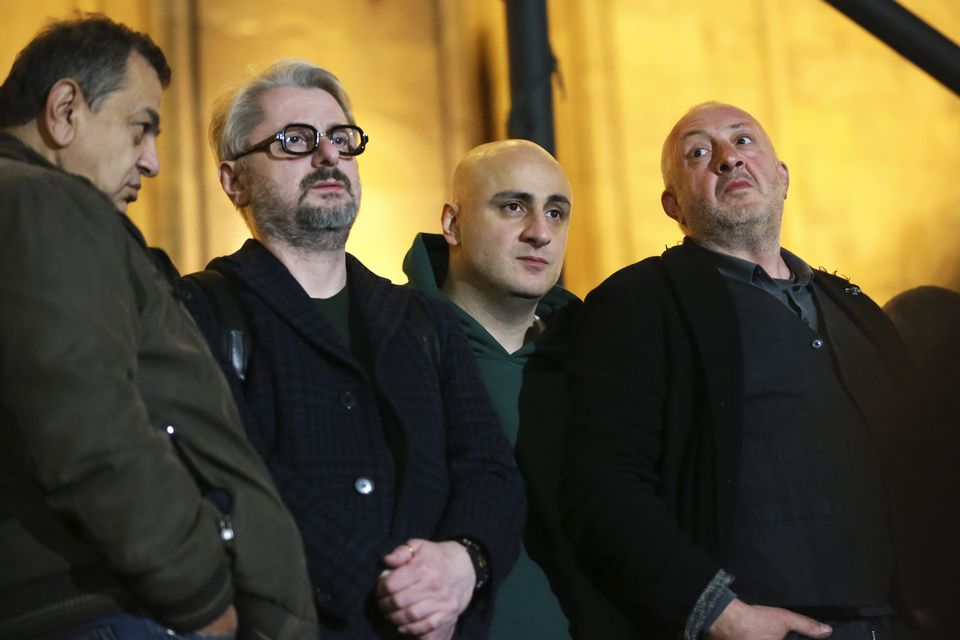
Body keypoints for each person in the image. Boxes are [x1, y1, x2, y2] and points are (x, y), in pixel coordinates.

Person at [180, 60, 525, 639]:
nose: (328, 156)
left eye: (342, 139)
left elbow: (489, 470)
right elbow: (232, 486)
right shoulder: (199, 312)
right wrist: (399, 595)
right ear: (233, 180)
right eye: (295, 140)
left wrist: (462, 565)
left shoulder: (425, 319)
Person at [0, 15, 317, 640]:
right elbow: (88, 422)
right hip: (106, 604)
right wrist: (199, 590)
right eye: (141, 127)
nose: (152, 162)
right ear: (64, 109)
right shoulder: (47, 202)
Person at [562, 102, 927, 640]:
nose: (729, 159)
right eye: (698, 152)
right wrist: (716, 614)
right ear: (673, 205)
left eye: (744, 141)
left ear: (782, 178)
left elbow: (925, 464)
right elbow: (602, 486)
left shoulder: (856, 308)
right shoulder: (638, 304)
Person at [402, 139, 633, 639]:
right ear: (451, 223)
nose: (540, 234)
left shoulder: (602, 361)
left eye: (556, 213)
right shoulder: (385, 342)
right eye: (513, 207)